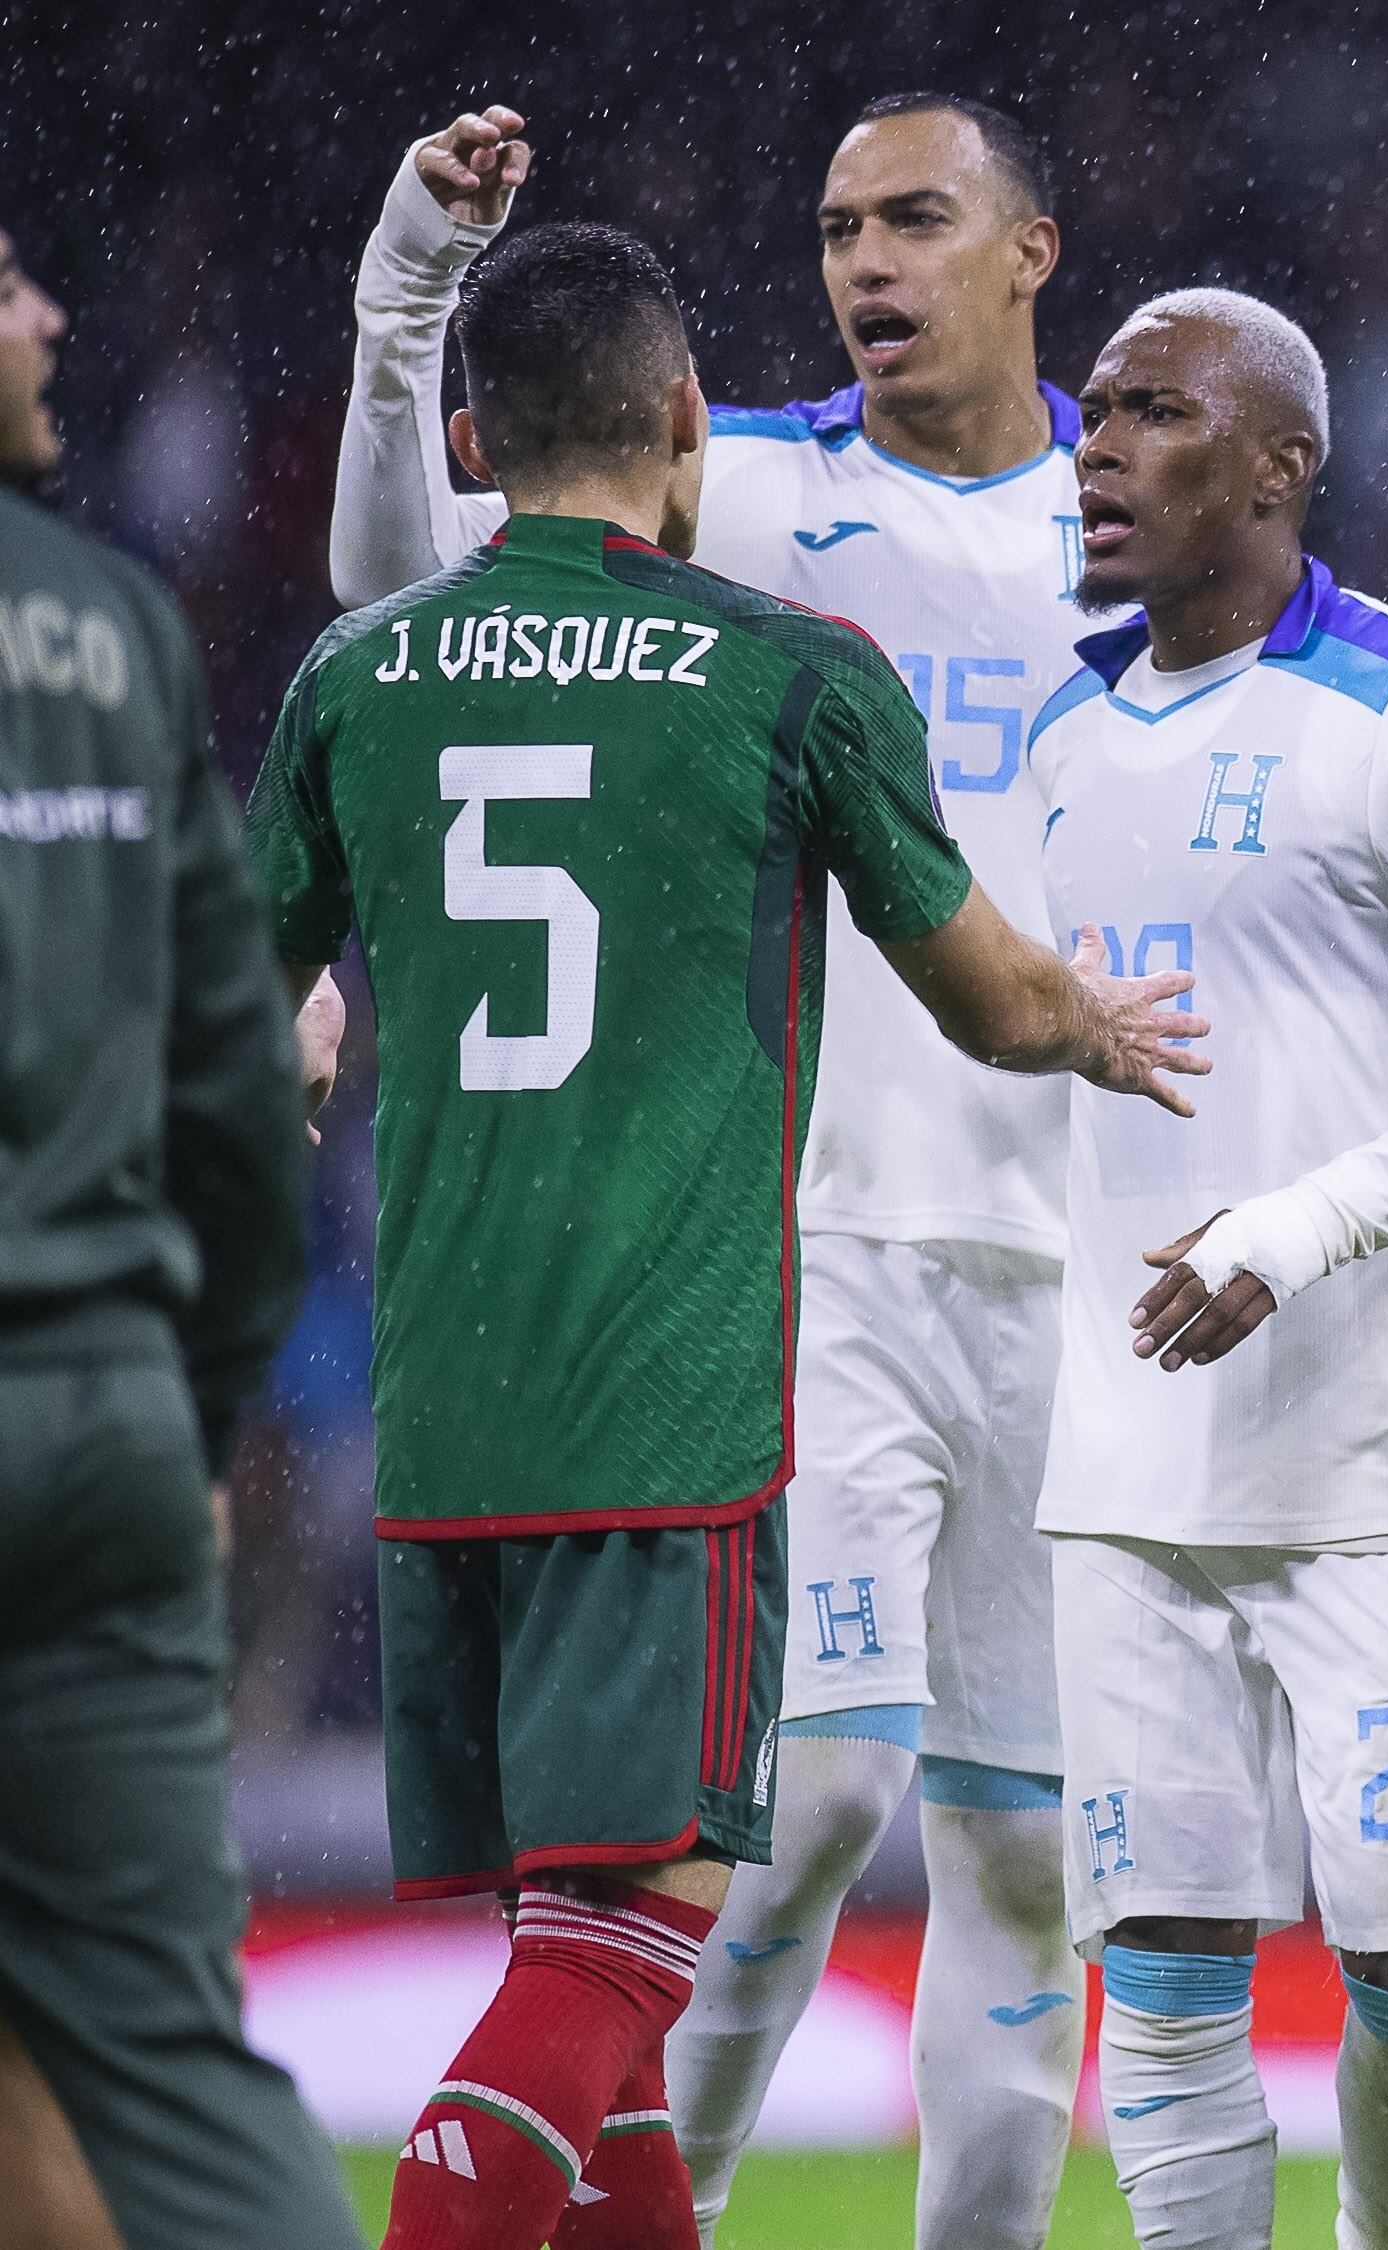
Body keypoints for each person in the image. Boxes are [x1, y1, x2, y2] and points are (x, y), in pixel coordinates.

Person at [249, 218, 1204, 2250]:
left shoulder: (355, 676)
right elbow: (987, 998)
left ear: (480, 437)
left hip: (434, 1417)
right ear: (687, 422)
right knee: (627, 1946)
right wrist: (1098, 1025)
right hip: (670, 1400)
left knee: (587, 1945)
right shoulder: (784, 665)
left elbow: (237, 1017)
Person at [1027, 287, 1388, 2250]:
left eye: (1154, 414)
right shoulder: (1054, 728)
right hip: (1120, 1464)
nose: (1099, 446)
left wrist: (1294, 1229)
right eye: (1092, 412)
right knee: (1171, 1980)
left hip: (1379, 1461)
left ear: (1281, 466)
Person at [0, 218, 360, 2250]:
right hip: (105, 1426)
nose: (50, 315)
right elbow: (244, 1098)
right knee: (151, 2052)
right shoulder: (112, 626)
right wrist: (190, 1407)